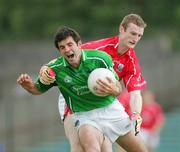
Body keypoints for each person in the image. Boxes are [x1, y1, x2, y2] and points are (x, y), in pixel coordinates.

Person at [17, 26, 148, 152]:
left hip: (110, 110)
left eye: (70, 45)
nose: (67, 50)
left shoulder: (99, 58)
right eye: (62, 47)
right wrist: (28, 86)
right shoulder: (55, 70)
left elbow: (119, 89)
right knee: (87, 148)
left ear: (79, 44)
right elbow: (37, 90)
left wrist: (113, 90)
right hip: (85, 116)